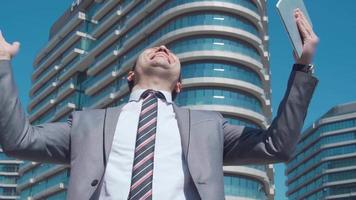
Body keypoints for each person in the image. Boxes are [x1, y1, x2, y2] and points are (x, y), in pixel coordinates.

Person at [0, 9, 319, 200]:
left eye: (171, 51)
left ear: (179, 85)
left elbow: (278, 146)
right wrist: (2, 62)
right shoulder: (85, 123)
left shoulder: (210, 126)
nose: (164, 46)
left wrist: (302, 66)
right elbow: (18, 141)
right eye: (153, 47)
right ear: (130, 75)